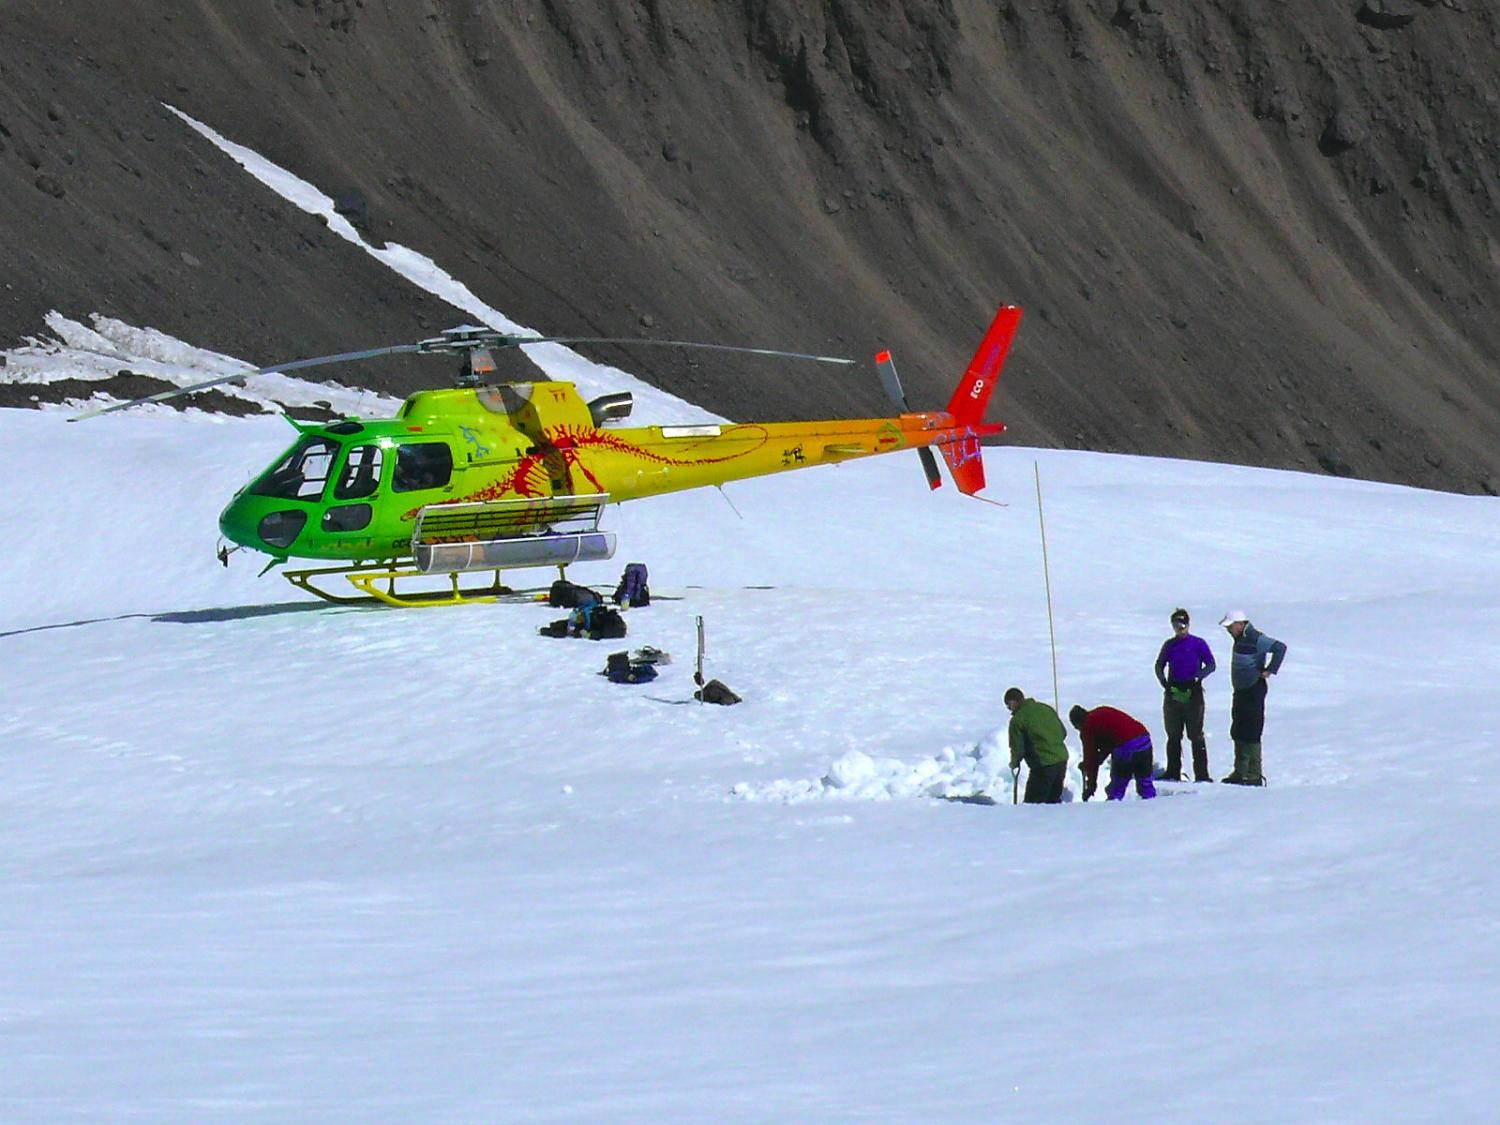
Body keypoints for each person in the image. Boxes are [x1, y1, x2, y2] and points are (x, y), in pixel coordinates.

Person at [1218, 610, 1287, 785]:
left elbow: (1280, 648)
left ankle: (1254, 774)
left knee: (1251, 731)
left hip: (1253, 690)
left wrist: (1270, 670)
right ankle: (1240, 772)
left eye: (1231, 626)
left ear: (1240, 624)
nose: (1229, 630)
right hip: (1241, 690)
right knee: (1238, 730)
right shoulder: (1240, 639)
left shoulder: (1255, 637)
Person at [1154, 608, 1217, 781]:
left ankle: (1202, 775)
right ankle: (1173, 771)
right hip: (1173, 692)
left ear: (1188, 624)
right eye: (1176, 625)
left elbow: (1211, 664)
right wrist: (1164, 683)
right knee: (1173, 734)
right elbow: (1159, 665)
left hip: (1193, 692)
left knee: (1195, 734)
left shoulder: (1198, 643)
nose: (1179, 628)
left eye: (1182, 624)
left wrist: (1199, 676)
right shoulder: (1169, 645)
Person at [1069, 704, 1157, 801]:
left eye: (1075, 727)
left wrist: (1091, 786)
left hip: (1126, 747)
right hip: (1144, 739)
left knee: (1117, 787)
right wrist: (1100, 758)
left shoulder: (1087, 727)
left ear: (1078, 723)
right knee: (1145, 783)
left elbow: (1091, 757)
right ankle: (1152, 808)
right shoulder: (1100, 712)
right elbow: (1110, 739)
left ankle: (1112, 812)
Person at [1004, 687, 1069, 804]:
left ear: (1012, 701)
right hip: (1061, 761)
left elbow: (1017, 747)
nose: (1008, 709)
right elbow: (1063, 732)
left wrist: (1015, 762)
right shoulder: (1046, 708)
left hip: (1043, 765)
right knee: (1052, 802)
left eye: (1008, 705)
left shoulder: (1017, 720)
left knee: (1033, 806)